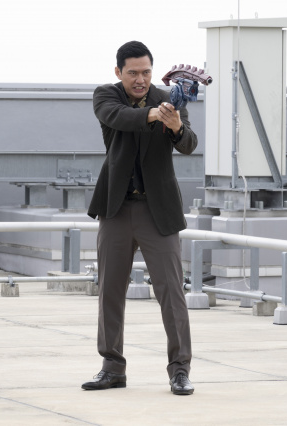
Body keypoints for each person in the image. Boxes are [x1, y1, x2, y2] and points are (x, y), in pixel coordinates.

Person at [82, 41, 198, 395]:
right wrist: (156, 114)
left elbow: (189, 144)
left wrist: (176, 126)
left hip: (157, 210)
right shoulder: (106, 95)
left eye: (146, 72)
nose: (140, 79)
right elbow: (119, 118)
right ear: (118, 72)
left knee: (172, 292)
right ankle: (112, 368)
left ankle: (180, 370)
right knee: (110, 291)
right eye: (132, 73)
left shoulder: (170, 99)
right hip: (115, 208)